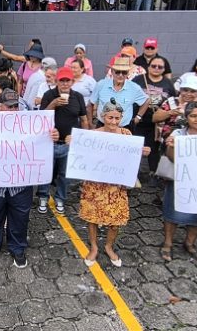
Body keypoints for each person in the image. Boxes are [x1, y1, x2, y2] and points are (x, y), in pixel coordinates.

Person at [0, 89, 59, 268]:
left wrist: (51, 136)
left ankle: (17, 247)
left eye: (15, 106)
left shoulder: (29, 124)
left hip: (21, 183)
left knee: (20, 217)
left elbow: (40, 142)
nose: (12, 110)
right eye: (8, 107)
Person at [80, 98, 150, 267]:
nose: (113, 121)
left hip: (117, 185)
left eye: (117, 118)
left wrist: (142, 152)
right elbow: (84, 157)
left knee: (115, 221)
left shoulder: (126, 135)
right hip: (96, 185)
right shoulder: (94, 135)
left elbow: (130, 158)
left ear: (121, 118)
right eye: (110, 118)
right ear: (102, 117)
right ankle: (94, 247)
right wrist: (74, 143)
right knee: (93, 218)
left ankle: (109, 246)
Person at [160, 102, 197, 262]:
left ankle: (190, 242)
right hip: (182, 181)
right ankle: (168, 242)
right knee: (174, 211)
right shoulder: (179, 134)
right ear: (186, 118)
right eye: (193, 116)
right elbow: (172, 158)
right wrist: (172, 147)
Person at [38, 67, 89, 214]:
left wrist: (81, 140)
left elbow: (84, 120)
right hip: (49, 142)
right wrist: (53, 104)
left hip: (69, 144)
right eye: (62, 81)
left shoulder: (77, 97)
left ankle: (60, 199)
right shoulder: (49, 95)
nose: (65, 84)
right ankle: (43, 196)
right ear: (56, 82)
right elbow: (40, 118)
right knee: (45, 172)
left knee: (65, 174)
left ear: (72, 82)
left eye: (68, 81)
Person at [132, 56, 176, 185]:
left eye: (160, 67)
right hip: (138, 120)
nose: (156, 69)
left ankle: (153, 173)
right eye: (153, 66)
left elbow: (172, 100)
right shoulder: (138, 80)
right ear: (148, 67)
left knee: (154, 148)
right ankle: (134, 174)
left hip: (158, 123)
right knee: (136, 147)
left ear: (164, 69)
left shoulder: (168, 83)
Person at [91, 58, 149, 129]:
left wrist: (138, 117)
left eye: (124, 72)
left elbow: (146, 100)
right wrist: (90, 121)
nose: (121, 75)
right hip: (103, 126)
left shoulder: (134, 88)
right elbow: (91, 103)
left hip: (123, 128)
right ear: (112, 72)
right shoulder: (101, 84)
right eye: (118, 72)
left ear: (128, 73)